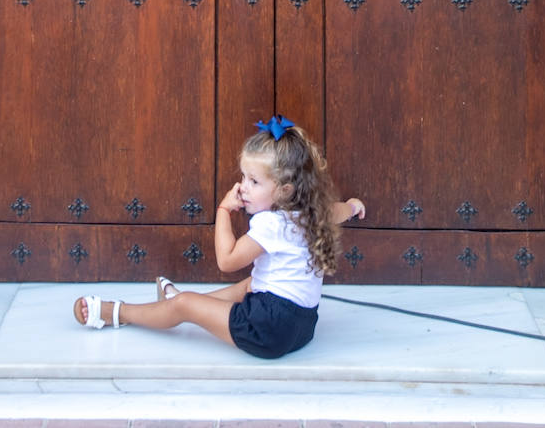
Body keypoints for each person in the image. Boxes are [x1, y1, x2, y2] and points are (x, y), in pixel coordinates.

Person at [72, 114, 366, 359]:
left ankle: (118, 313)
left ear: (284, 190)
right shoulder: (313, 212)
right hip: (302, 327)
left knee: (185, 305)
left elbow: (226, 261)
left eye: (253, 181)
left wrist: (224, 210)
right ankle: (183, 302)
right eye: (243, 177)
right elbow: (339, 211)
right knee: (252, 284)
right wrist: (354, 206)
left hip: (269, 329)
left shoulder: (270, 225)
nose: (243, 187)